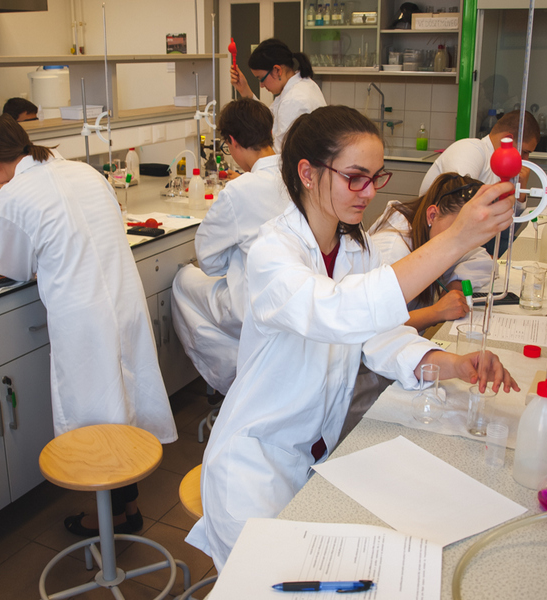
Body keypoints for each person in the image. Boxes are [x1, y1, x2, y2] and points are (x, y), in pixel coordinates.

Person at [185, 105, 520, 570]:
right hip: (253, 468)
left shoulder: (354, 247)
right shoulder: (272, 253)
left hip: (312, 456)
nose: (369, 192)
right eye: (355, 177)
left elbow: (379, 335)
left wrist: (452, 364)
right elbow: (337, 311)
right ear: (307, 173)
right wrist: (456, 239)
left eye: (375, 178)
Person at [0, 116, 177, 537]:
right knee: (122, 408)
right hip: (123, 301)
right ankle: (128, 508)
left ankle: (111, 519)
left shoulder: (13, 196)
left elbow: (13, 267)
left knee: (98, 422)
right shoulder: (83, 171)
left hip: (83, 320)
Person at [171, 98, 289, 395]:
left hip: (253, 306)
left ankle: (234, 378)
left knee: (183, 280)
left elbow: (209, 262)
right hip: (290, 299)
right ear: (269, 132)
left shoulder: (239, 190)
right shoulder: (296, 175)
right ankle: (249, 371)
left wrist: (234, 260)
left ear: (232, 142)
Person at [369, 173, 493, 333]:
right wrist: (436, 312)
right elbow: (375, 329)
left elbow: (478, 256)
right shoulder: (392, 251)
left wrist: (454, 289)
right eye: (458, 229)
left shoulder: (431, 232)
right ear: (432, 215)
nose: (463, 239)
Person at [419, 110, 540, 257]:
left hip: (470, 237)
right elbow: (459, 214)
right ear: (507, 139)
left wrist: (520, 193)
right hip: (436, 238)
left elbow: (507, 230)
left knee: (525, 251)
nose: (525, 160)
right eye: (525, 152)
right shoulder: (471, 149)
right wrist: (485, 260)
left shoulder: (502, 167)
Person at [230, 38, 326, 153]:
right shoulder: (303, 85)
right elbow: (267, 119)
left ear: (277, 70)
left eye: (261, 79)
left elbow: (280, 154)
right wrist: (244, 90)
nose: (261, 85)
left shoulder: (293, 100)